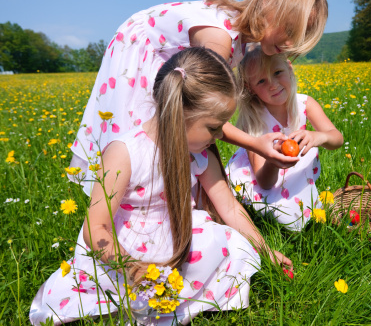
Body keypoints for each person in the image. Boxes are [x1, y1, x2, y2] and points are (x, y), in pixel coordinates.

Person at [30, 47, 291, 325]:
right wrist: (133, 267)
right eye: (214, 127)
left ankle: (160, 305)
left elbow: (227, 205)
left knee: (233, 246)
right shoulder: (125, 152)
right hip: (126, 247)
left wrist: (264, 250)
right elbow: (96, 228)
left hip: (179, 236)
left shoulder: (200, 152)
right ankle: (146, 304)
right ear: (177, 113)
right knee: (115, 281)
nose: (219, 136)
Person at [69, 0, 329, 195]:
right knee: (145, 135)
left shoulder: (240, 35)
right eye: (292, 30)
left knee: (178, 128)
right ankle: (129, 203)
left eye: (303, 35)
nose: (293, 43)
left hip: (169, 65)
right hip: (141, 55)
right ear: (271, 4)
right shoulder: (219, 39)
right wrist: (254, 144)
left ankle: (169, 202)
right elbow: (203, 109)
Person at [226, 46, 343, 231]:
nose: (272, 84)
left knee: (301, 208)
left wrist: (318, 136)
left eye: (277, 72)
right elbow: (265, 182)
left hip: (296, 168)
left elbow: (337, 139)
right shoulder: (254, 120)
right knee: (281, 214)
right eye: (262, 81)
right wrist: (273, 162)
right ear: (250, 88)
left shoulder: (305, 103)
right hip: (266, 173)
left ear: (289, 67)